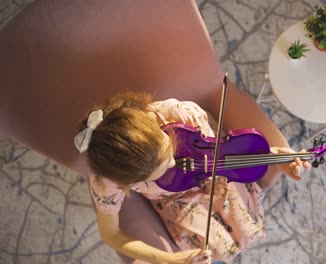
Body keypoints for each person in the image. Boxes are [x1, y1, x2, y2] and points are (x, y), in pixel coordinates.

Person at [75, 92, 311, 263]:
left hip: (211, 171)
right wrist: (165, 259)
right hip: (176, 202)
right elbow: (111, 234)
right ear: (130, 182)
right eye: (159, 171)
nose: (173, 164)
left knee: (248, 229)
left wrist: (278, 157)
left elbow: (223, 150)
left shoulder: (178, 115)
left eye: (169, 152)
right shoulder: (106, 181)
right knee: (222, 249)